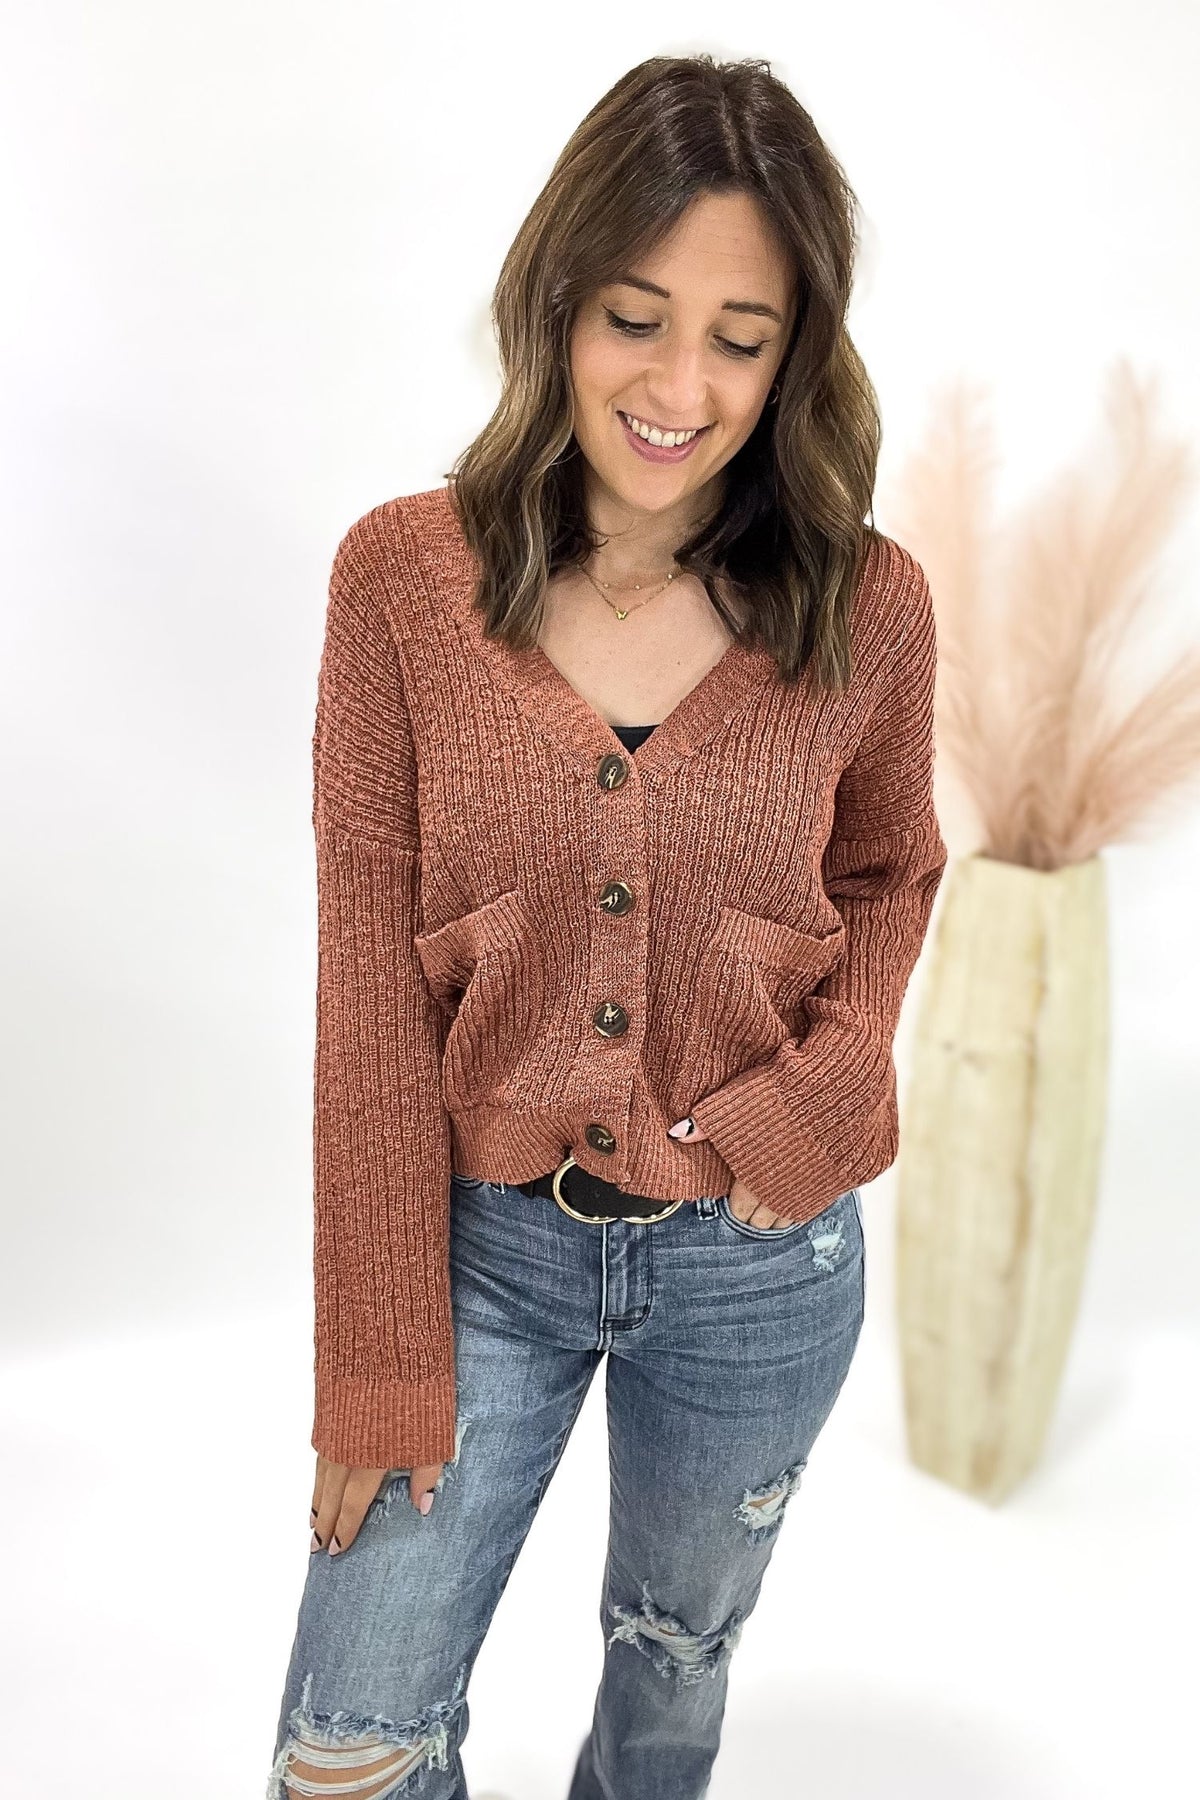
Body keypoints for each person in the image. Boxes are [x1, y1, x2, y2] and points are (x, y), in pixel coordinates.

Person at [266, 51, 948, 1800]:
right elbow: (364, 985)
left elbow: (889, 878)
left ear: (798, 351)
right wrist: (381, 1357)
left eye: (742, 334)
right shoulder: (404, 583)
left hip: (756, 1263)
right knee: (351, 1742)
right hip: (480, 1255)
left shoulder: (869, 605)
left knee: (675, 1660)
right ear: (556, 301)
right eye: (637, 317)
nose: (680, 384)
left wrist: (804, 1110)